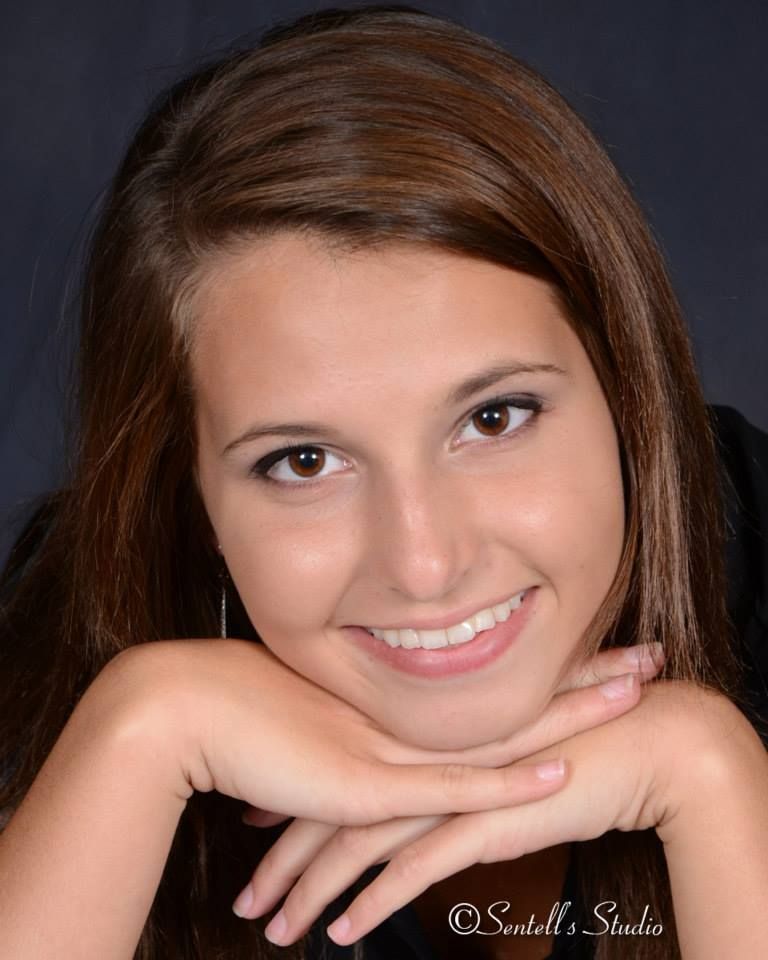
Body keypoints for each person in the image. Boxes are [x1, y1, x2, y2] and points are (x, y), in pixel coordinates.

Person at [1, 5, 767, 959]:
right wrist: (142, 730)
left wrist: (716, 780)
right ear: (190, 499)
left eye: (494, 418)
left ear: (626, 387)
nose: (425, 563)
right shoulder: (59, 650)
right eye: (304, 462)